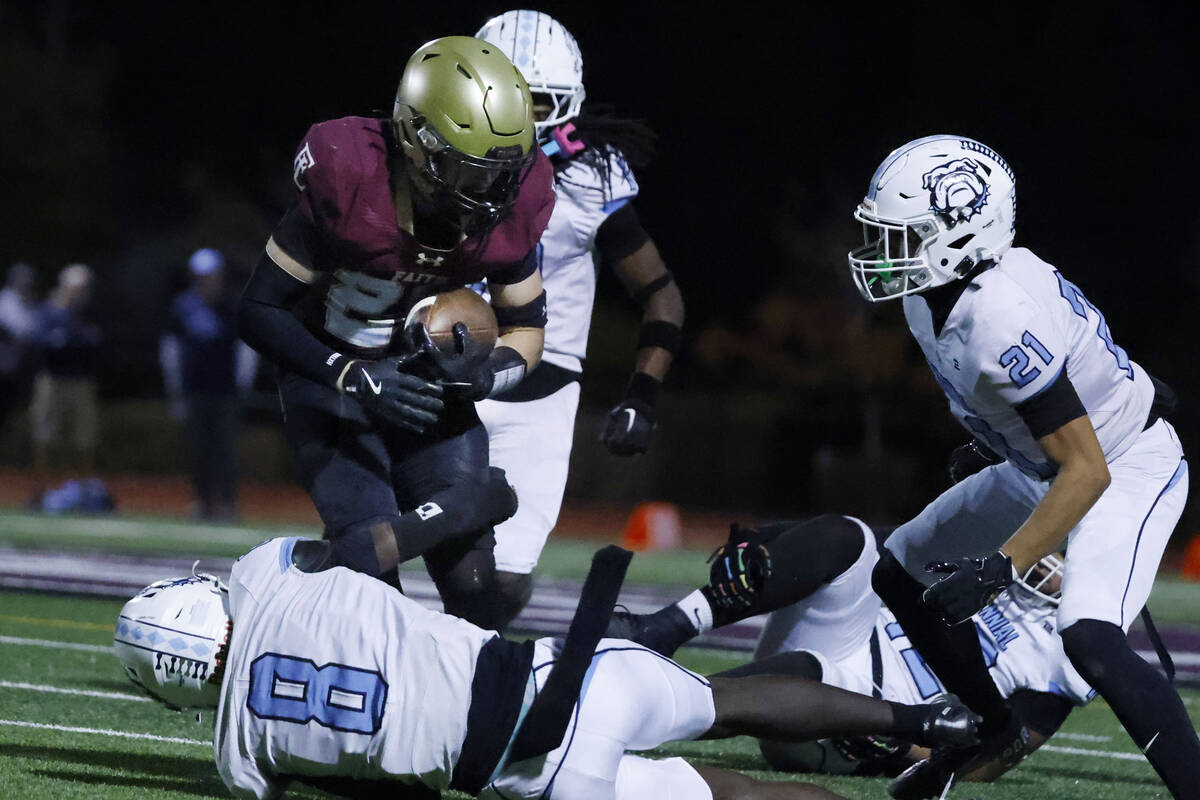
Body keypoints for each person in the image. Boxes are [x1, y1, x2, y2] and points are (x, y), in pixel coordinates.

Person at [841, 135, 1195, 798]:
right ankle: (993, 725)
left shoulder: (998, 315)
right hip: (1049, 462)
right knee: (901, 570)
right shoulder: (931, 296)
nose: (884, 252)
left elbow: (1087, 470)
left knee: (1089, 635)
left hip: (1123, 465)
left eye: (905, 236)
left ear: (963, 236)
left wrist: (1002, 566)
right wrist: (994, 441)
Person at [112, 536, 981, 800]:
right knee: (730, 701)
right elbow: (352, 546)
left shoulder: (240, 759)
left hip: (538, 776)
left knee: (728, 796)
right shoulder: (265, 575)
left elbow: (392, 794)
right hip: (551, 675)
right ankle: (922, 726)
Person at [236, 37, 555, 630]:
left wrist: (486, 376)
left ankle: (477, 714)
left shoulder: (514, 206)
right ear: (417, 142)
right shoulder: (351, 175)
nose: (489, 194)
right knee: (368, 582)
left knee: (474, 588)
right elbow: (258, 309)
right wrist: (350, 374)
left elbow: (527, 329)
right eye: (468, 170)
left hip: (431, 397)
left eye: (500, 174)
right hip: (332, 386)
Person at [471, 10, 685, 628]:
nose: (517, 116)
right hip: (438, 373)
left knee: (503, 586)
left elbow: (662, 296)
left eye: (534, 102)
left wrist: (642, 396)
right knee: (371, 541)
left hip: (538, 388)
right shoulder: (434, 153)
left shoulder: (593, 176)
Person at [608, 514, 1089, 788]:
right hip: (852, 637)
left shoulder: (1067, 653)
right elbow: (875, 540)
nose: (1056, 557)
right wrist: (767, 537)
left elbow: (996, 756)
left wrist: (905, 748)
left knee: (810, 673)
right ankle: (664, 627)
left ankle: (626, 713)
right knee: (855, 538)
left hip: (868, 713)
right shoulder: (991, 548)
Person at [161, 248, 259, 520]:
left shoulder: (231, 306)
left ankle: (228, 502)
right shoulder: (182, 306)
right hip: (193, 389)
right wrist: (174, 388)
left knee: (226, 449)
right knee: (197, 449)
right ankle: (202, 501)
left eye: (211, 275)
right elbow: (170, 349)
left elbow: (245, 348)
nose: (207, 280)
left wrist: (243, 383)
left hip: (225, 390)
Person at [29, 263, 103, 484]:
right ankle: (41, 489)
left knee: (84, 436)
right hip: (52, 379)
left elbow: (96, 341)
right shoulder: (50, 310)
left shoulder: (89, 312)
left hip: (81, 379)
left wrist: (67, 339)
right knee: (45, 434)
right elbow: (38, 340)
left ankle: (83, 489)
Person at [0, 262, 40, 429]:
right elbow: (23, 330)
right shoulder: (6, 300)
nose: (28, 282)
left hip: (23, 367)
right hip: (6, 369)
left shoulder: (30, 301)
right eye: (24, 278)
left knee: (20, 411)